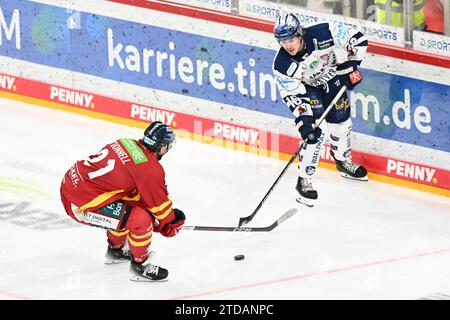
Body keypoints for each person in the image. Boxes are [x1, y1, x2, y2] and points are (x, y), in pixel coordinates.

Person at [60, 121, 185, 282]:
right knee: (142, 221)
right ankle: (140, 266)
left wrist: (159, 219)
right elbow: (160, 209)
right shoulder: (150, 169)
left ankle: (116, 250)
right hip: (80, 205)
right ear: (162, 147)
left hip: (70, 185)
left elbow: (133, 192)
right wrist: (170, 222)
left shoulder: (125, 143)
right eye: (168, 146)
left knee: (130, 210)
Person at [272, 13, 369, 207]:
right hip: (308, 89)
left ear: (300, 34)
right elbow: (293, 95)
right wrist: (304, 120)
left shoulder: (323, 31)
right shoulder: (282, 65)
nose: (287, 45)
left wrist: (350, 67)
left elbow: (358, 38)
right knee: (316, 133)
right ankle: (304, 181)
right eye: (282, 41)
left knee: (342, 122)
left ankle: (343, 162)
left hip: (333, 79)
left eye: (290, 39)